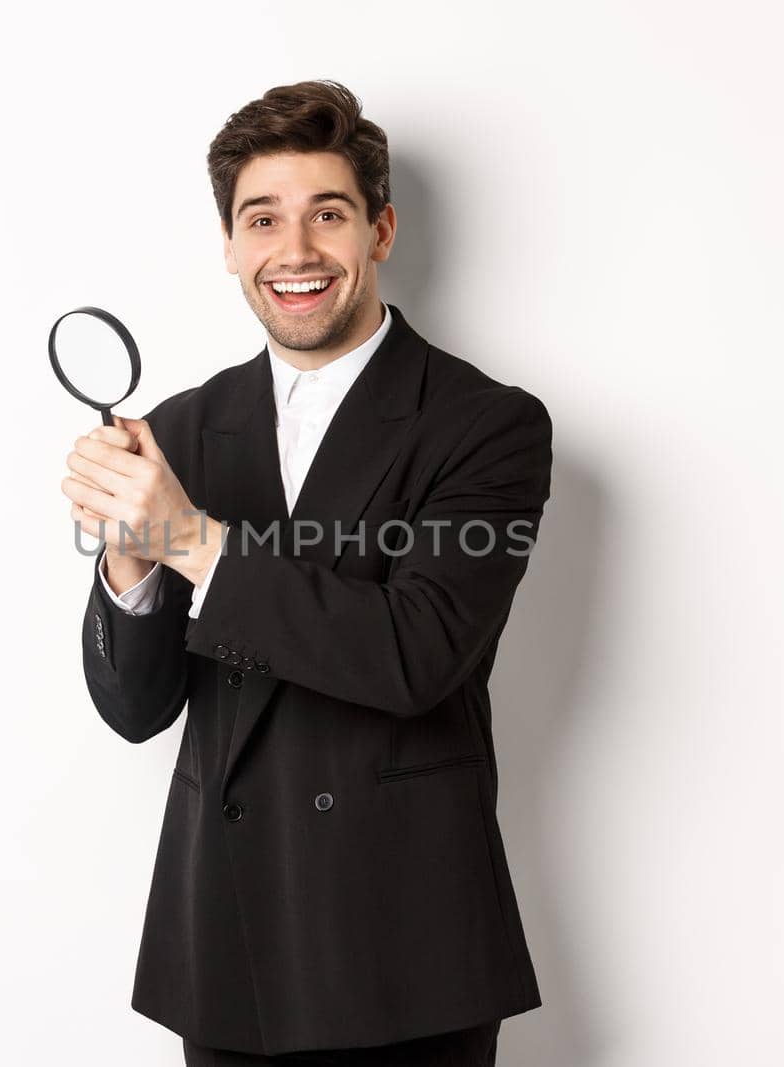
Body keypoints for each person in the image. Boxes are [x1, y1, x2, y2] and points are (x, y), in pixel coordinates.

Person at [61, 79, 551, 1066]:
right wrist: (129, 556)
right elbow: (134, 705)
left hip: (408, 950)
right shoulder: (184, 429)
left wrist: (192, 539)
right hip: (227, 942)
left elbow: (415, 655)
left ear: (379, 231)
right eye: (262, 219)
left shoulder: (486, 424)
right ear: (231, 248)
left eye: (327, 214)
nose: (294, 251)